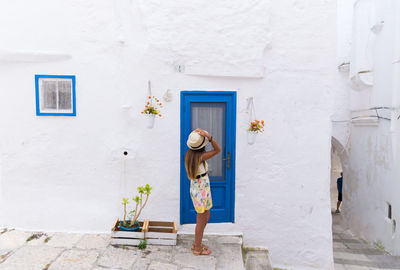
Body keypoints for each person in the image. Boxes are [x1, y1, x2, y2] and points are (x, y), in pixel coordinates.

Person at [185, 128, 221, 255]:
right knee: (201, 219)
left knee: (206, 216)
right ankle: (198, 248)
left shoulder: (190, 154)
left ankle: (197, 243)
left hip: (201, 187)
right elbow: (218, 150)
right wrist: (209, 137)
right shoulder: (200, 156)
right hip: (200, 189)